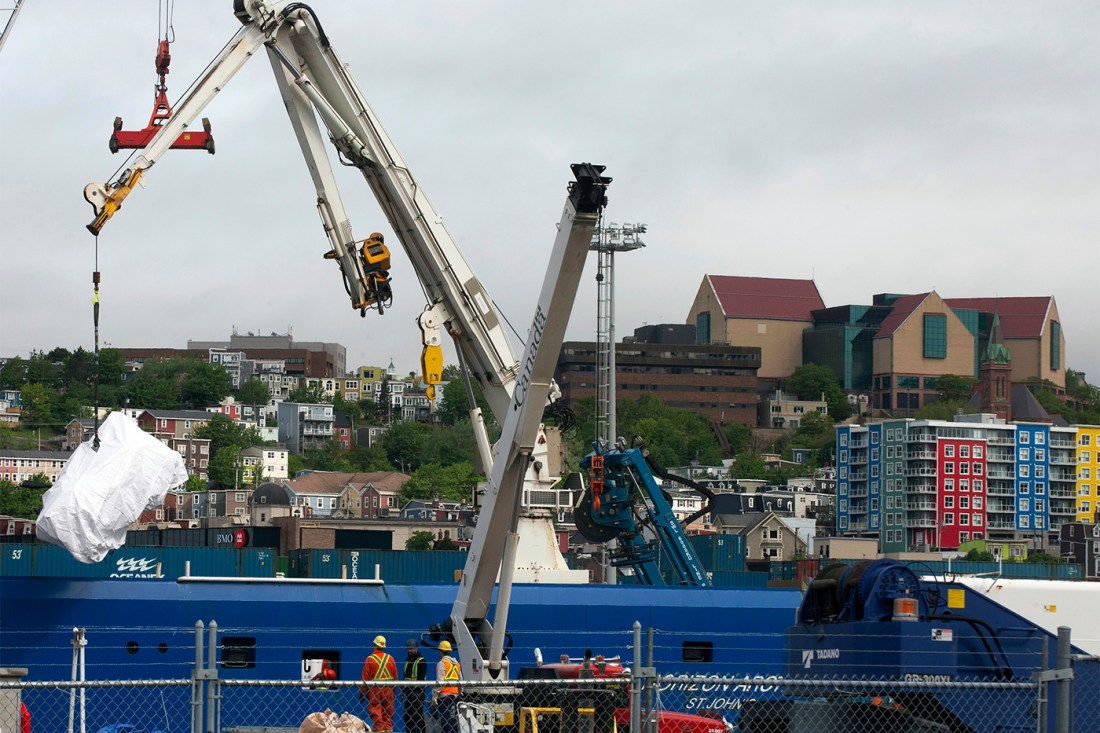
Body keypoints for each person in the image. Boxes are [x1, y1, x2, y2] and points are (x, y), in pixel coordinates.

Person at [360, 634, 398, 732]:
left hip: (374, 690)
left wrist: (362, 693)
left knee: (376, 714)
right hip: (388, 689)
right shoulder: (390, 658)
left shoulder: (370, 659)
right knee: (388, 716)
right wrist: (393, 692)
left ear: (374, 645)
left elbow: (365, 678)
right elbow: (395, 677)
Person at [434, 640, 461, 733]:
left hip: (445, 696)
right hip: (455, 697)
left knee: (446, 721)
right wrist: (460, 692)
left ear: (441, 651)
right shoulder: (456, 664)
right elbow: (460, 680)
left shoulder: (442, 663)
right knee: (453, 721)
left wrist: (435, 695)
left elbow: (440, 681)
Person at [402, 639, 428, 733]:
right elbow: (405, 677)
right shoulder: (408, 660)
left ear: (416, 649)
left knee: (418, 716)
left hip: (418, 692)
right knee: (407, 717)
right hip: (409, 692)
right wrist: (403, 691)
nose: (409, 651)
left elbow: (421, 678)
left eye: (411, 649)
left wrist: (416, 691)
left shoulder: (421, 661)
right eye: (408, 649)